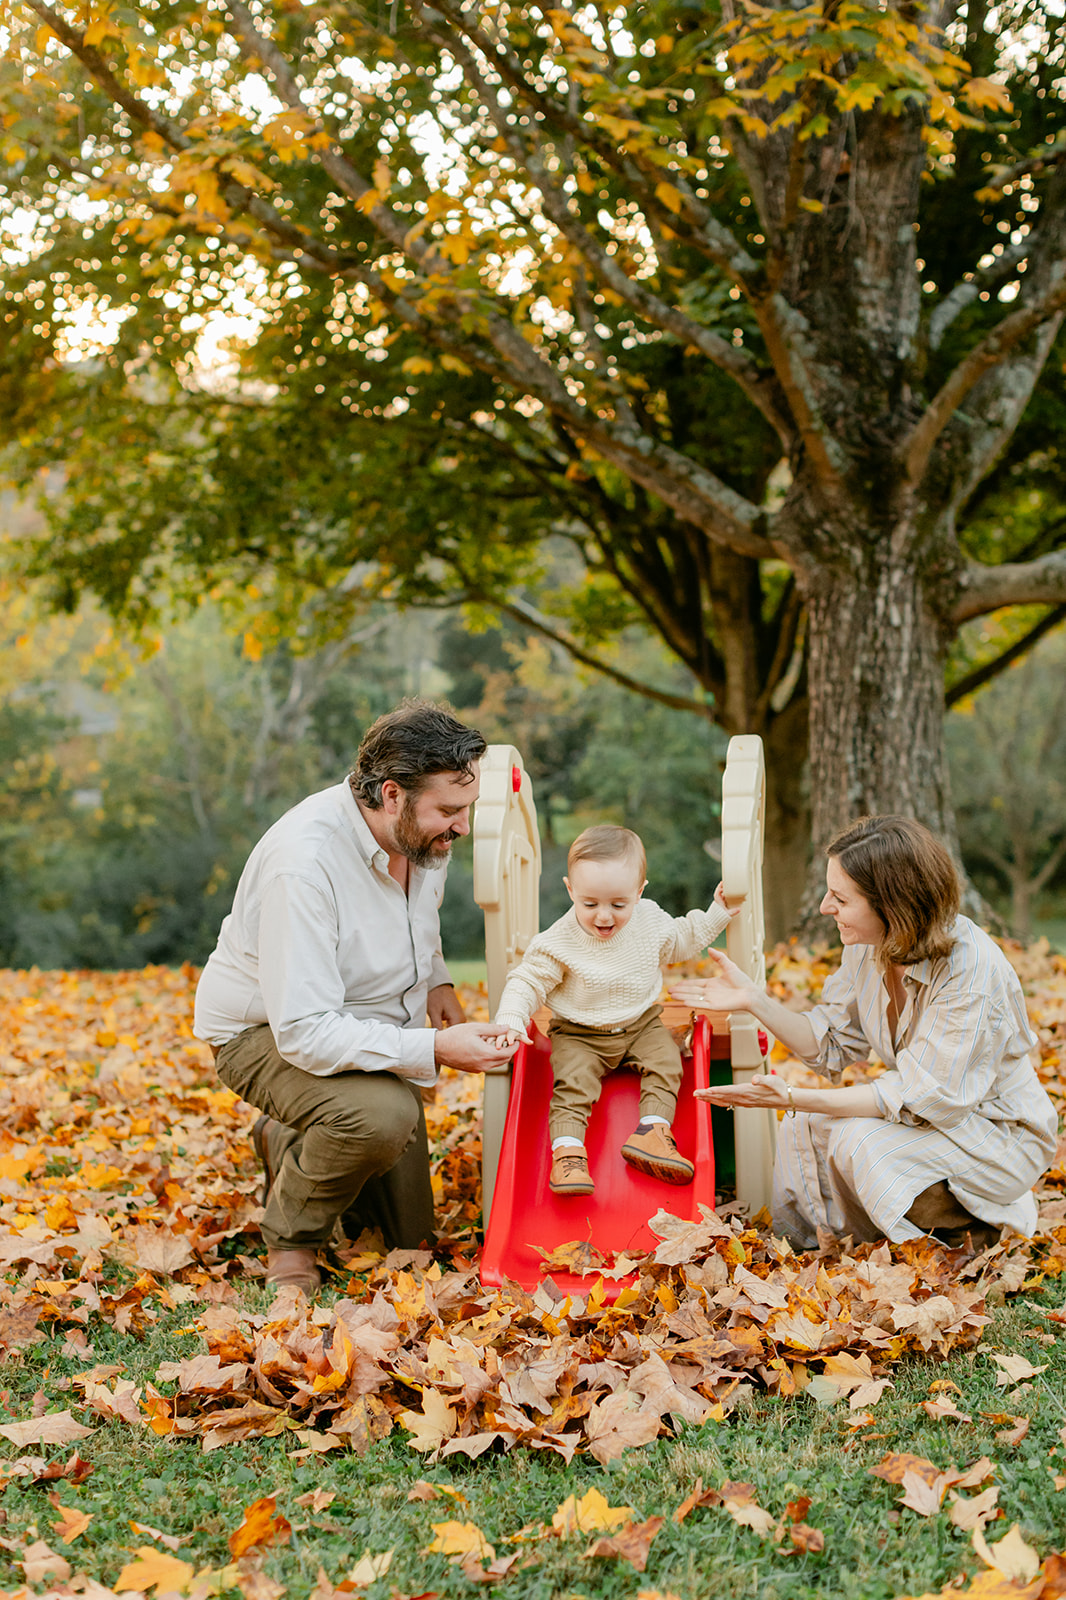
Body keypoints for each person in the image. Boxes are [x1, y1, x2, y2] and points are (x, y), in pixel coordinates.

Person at [193, 699, 517, 1294]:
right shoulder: (304, 866)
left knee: (409, 1244)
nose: (462, 827)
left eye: (465, 808)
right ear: (390, 794)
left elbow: (419, 916)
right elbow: (306, 1032)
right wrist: (437, 1047)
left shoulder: (422, 838)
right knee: (381, 1116)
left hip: (352, 1020)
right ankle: (292, 1240)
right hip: (263, 1031)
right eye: (449, 810)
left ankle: (292, 1134)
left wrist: (438, 977)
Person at [671, 815, 1057, 1251]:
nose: (823, 908)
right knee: (806, 1126)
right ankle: (818, 1246)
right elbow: (830, 1043)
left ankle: (956, 1236)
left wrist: (791, 1096)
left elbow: (921, 1098)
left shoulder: (971, 976)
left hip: (996, 1133)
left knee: (858, 1140)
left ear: (892, 905)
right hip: (932, 1116)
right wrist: (754, 1000)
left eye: (839, 897)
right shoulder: (870, 947)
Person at [494, 824, 735, 1195]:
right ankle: (568, 1155)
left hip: (640, 1024)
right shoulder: (559, 941)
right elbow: (529, 979)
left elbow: (683, 939)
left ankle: (652, 1132)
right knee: (572, 1085)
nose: (604, 916)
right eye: (589, 904)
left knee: (668, 1062)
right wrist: (511, 1018)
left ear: (639, 892)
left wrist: (717, 913)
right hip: (579, 1033)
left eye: (618, 904)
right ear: (570, 889)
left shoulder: (650, 921)